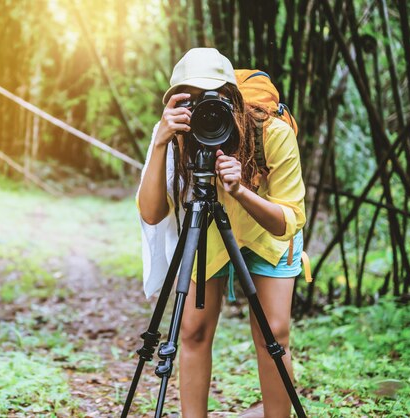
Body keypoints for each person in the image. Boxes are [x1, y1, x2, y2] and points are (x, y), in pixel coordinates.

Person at [137, 48, 306, 418]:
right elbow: (151, 214)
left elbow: (288, 221)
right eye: (190, 98)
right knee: (193, 331)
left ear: (232, 97)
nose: (203, 109)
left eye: (212, 98)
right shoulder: (175, 131)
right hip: (208, 231)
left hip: (267, 235)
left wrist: (240, 190)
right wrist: (162, 140)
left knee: (273, 334)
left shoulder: (272, 132)